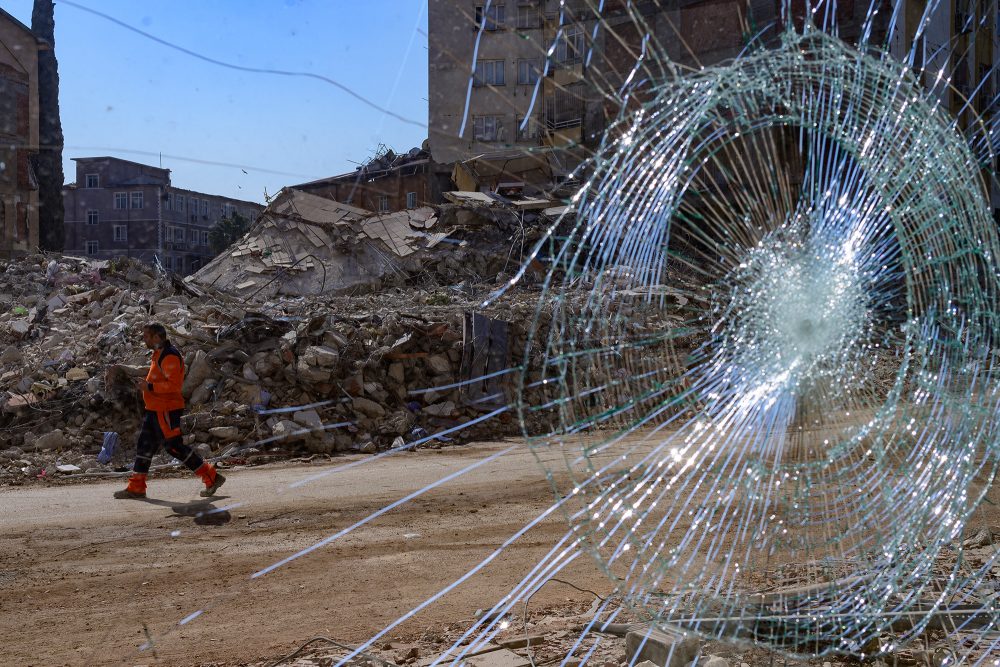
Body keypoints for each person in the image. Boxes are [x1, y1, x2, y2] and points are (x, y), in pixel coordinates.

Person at [114, 322, 226, 499]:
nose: (144, 340)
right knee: (144, 445)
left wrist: (149, 386)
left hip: (165, 409)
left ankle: (211, 476)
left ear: (157, 337)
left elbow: (173, 386)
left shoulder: (170, 356)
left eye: (147, 336)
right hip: (154, 410)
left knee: (173, 446)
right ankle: (136, 486)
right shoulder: (158, 354)